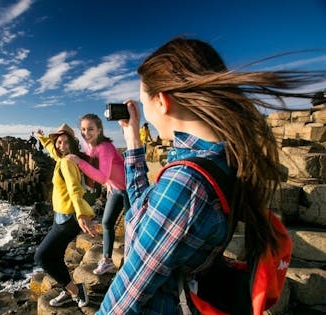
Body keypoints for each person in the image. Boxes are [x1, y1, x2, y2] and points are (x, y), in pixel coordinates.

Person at [97, 37, 325, 314]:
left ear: (162, 101)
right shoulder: (221, 159)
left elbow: (126, 297)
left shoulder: (186, 184)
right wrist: (133, 142)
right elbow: (143, 211)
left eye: (144, 101)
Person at [34, 123, 99, 308]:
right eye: (59, 142)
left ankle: (76, 291)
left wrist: (81, 214)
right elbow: (54, 152)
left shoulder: (67, 162)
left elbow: (74, 189)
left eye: (65, 142)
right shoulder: (66, 158)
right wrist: (42, 138)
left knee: (42, 257)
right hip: (62, 218)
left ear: (72, 143)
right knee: (55, 256)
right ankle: (68, 289)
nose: (61, 146)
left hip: (68, 219)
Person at [67, 114, 129, 275]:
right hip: (115, 189)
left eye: (90, 129)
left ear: (99, 130)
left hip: (129, 189)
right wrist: (109, 182)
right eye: (83, 129)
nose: (86, 133)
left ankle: (133, 261)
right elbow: (106, 172)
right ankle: (107, 261)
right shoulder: (89, 147)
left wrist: (79, 162)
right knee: (107, 222)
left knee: (132, 226)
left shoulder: (105, 147)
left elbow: (101, 176)